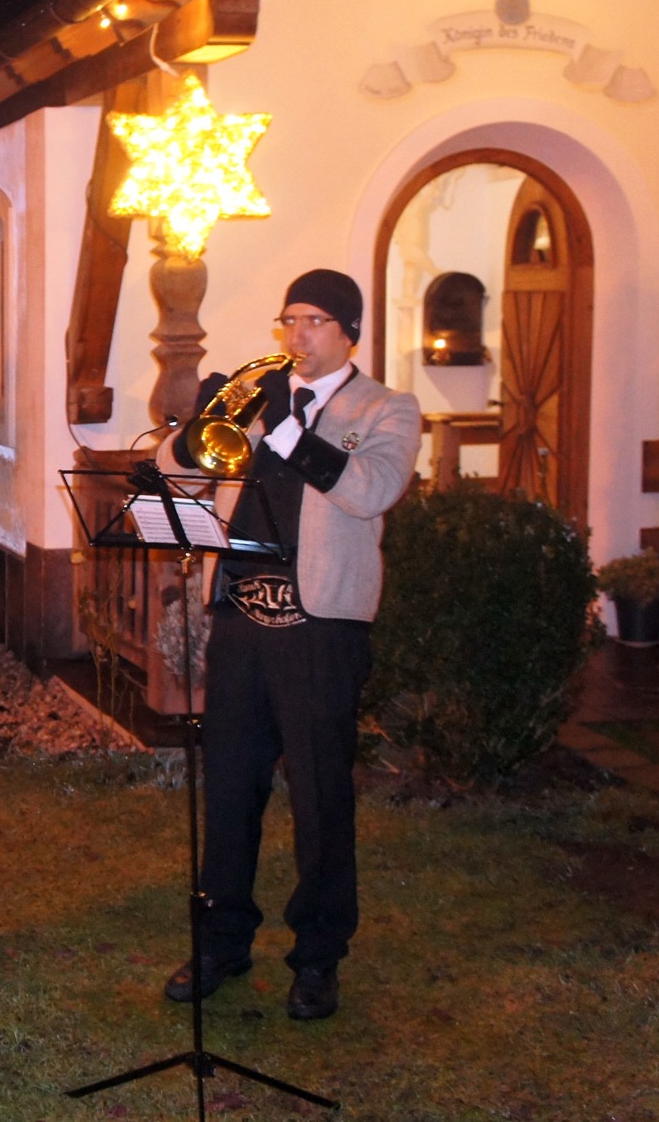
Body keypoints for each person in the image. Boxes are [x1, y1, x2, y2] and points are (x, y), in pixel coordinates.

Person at [158, 269, 419, 1021]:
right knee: (230, 787)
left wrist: (285, 429)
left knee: (320, 795)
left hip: (322, 627)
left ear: (349, 333)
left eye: (312, 321)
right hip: (241, 621)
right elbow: (176, 471)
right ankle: (223, 940)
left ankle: (318, 957)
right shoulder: (259, 402)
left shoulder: (386, 408)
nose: (295, 335)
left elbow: (370, 491)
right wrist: (202, 419)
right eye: (288, 320)